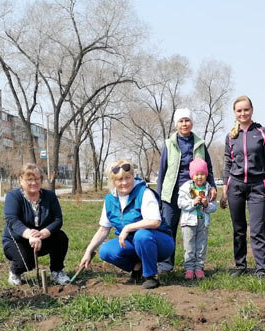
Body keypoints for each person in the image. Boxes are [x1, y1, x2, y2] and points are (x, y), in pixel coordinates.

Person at [79, 160, 174, 289]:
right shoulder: (110, 200)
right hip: (133, 243)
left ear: (133, 176)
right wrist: (88, 251)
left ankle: (150, 276)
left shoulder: (144, 193)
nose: (124, 183)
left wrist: (128, 227)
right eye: (119, 179)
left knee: (142, 235)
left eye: (128, 177)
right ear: (113, 181)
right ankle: (137, 267)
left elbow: (154, 222)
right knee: (106, 251)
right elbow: (103, 230)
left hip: (159, 242)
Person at [223, 95, 265, 278]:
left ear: (252, 110)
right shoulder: (231, 136)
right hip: (236, 186)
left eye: (246, 109)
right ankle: (240, 266)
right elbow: (227, 163)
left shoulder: (263, 132)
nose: (243, 113)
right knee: (239, 228)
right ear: (234, 113)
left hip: (257, 186)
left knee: (257, 229)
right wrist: (225, 187)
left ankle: (261, 268)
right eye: (239, 110)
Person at [156, 108, 216, 272]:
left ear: (192, 123)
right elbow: (162, 171)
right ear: (176, 124)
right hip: (173, 191)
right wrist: (160, 197)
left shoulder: (200, 144)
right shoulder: (170, 144)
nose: (184, 124)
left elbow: (208, 167)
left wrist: (213, 186)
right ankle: (166, 265)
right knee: (168, 227)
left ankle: (195, 265)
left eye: (187, 120)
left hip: (195, 190)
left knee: (196, 228)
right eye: (181, 121)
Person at [3, 164, 71, 286]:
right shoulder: (13, 196)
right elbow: (12, 220)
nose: (34, 182)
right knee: (27, 263)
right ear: (21, 180)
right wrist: (30, 235)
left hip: (42, 238)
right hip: (18, 240)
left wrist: (43, 233)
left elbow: (57, 220)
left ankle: (56, 271)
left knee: (61, 237)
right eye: (29, 179)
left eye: (37, 179)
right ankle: (15, 271)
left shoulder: (50, 196)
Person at [177, 158, 218, 280]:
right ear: (192, 175)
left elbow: (214, 206)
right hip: (189, 222)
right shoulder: (186, 187)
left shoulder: (209, 188)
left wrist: (206, 205)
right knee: (189, 245)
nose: (199, 177)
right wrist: (193, 202)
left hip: (202, 222)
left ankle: (199, 268)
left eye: (202, 174)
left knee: (201, 245)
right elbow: (180, 203)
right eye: (197, 174)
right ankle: (189, 268)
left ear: (206, 175)